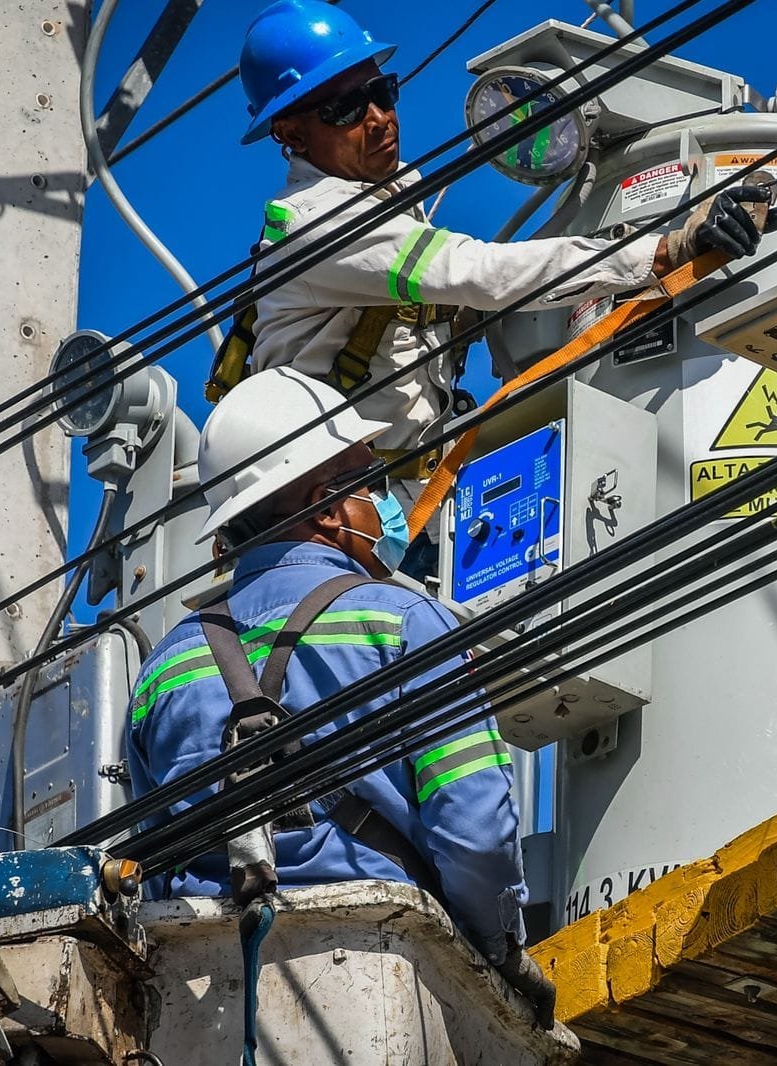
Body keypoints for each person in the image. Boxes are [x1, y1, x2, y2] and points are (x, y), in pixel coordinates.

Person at [213, 0, 777, 575]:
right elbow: (481, 274)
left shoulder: (387, 203)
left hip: (401, 517)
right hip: (334, 526)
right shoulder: (316, 222)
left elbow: (477, 295)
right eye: (344, 108)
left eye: (382, 92)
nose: (379, 118)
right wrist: (666, 249)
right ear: (291, 133)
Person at [125, 366, 557, 1026]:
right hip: (381, 978)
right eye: (371, 481)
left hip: (201, 996)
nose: (383, 503)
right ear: (328, 508)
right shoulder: (402, 622)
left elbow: (150, 863)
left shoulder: (163, 667)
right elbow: (475, 826)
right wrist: (499, 951)